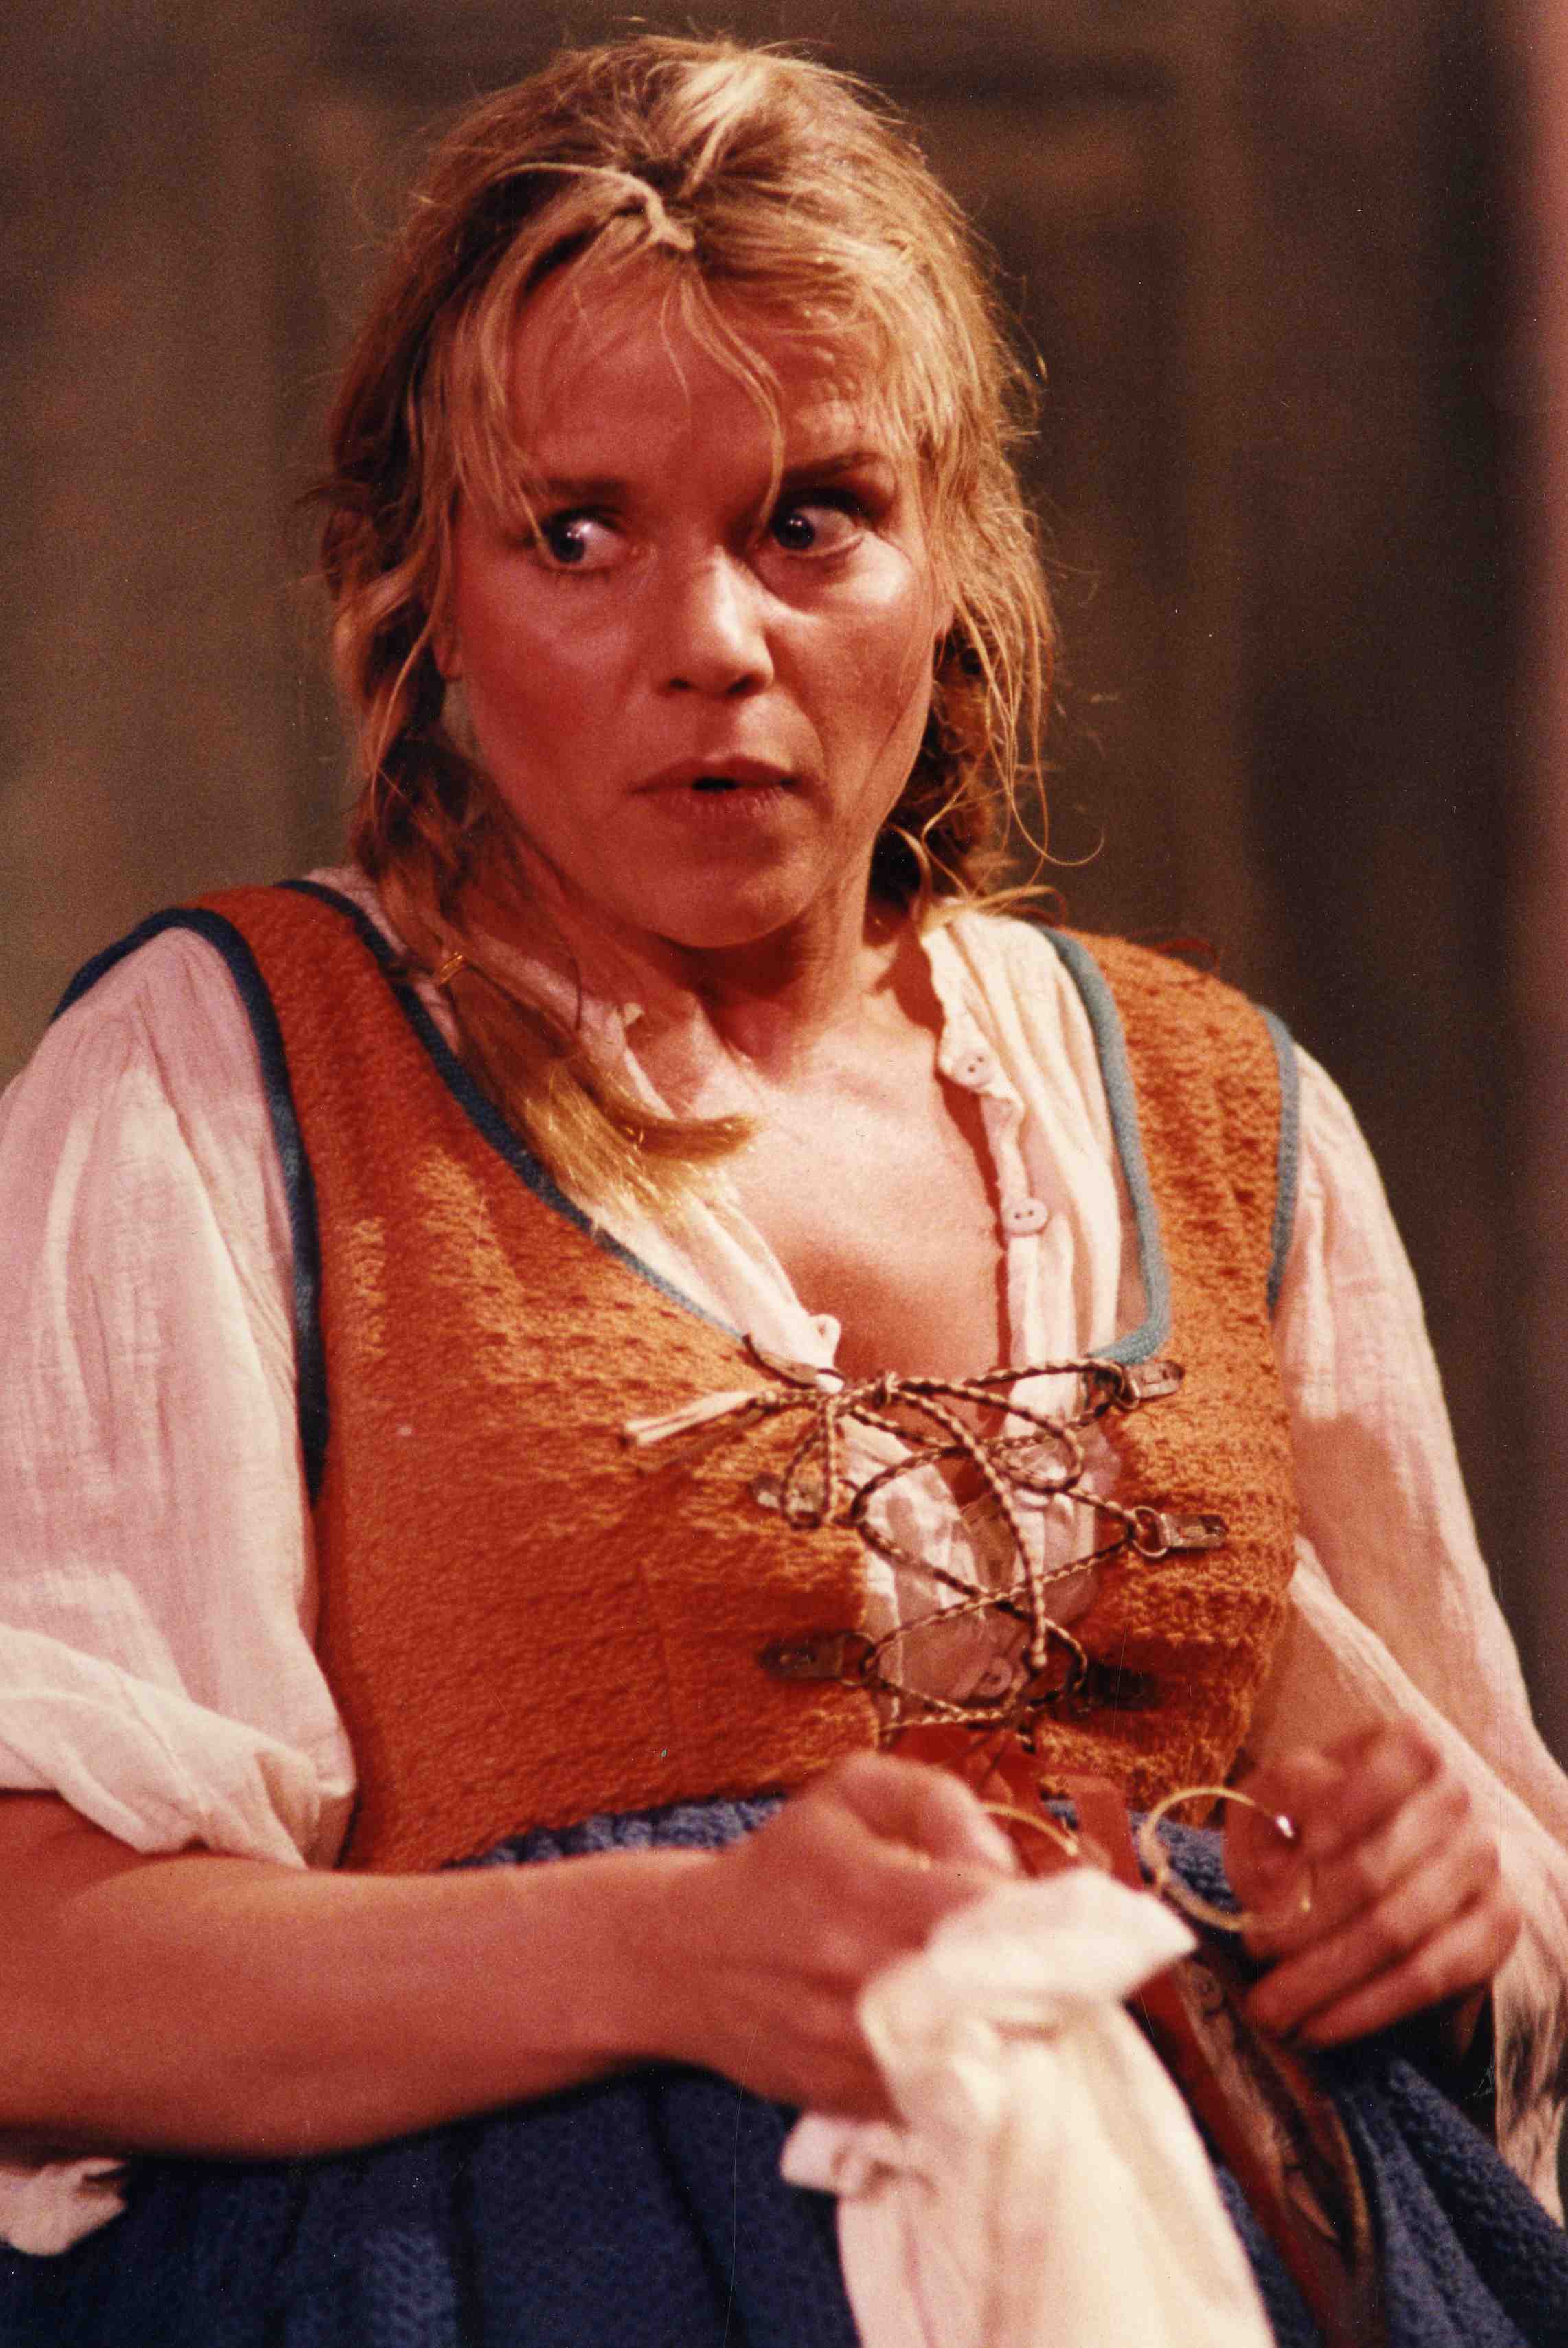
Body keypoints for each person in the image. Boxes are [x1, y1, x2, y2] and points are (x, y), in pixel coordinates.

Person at [0, 32, 1565, 2347]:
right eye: (576, 533)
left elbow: (1461, 1842)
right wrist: (663, 1945)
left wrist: (1437, 1898)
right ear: (428, 593)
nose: (709, 643)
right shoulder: (223, 1081)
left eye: (809, 517)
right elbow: (31, 1962)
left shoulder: (1221, 1115)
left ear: (952, 565)